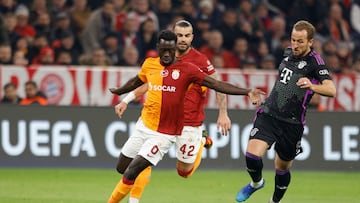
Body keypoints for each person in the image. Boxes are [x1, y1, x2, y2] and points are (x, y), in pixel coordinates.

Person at [107, 29, 264, 203]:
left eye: (171, 49)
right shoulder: (150, 64)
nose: (167, 53)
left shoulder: (190, 68)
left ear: (176, 47)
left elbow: (217, 84)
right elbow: (140, 81)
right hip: (145, 125)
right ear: (158, 47)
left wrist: (247, 91)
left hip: (169, 131)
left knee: (176, 172)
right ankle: (133, 197)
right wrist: (122, 95)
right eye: (163, 49)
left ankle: (201, 141)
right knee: (123, 168)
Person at [235, 20, 336, 203]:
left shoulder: (315, 62)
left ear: (310, 42)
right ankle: (256, 183)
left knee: (282, 168)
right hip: (269, 114)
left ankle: (274, 201)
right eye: (293, 40)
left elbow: (331, 90)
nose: (295, 45)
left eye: (300, 41)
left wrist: (312, 86)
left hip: (292, 123)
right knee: (251, 155)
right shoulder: (287, 53)